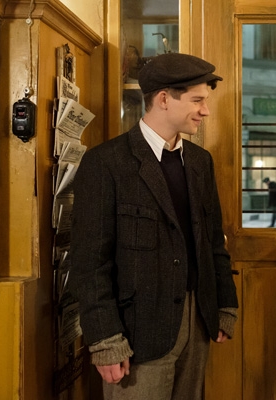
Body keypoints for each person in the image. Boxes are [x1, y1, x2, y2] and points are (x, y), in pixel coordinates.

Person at [69, 52, 239, 400]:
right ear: (164, 99)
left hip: (198, 323)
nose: (205, 111)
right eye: (197, 100)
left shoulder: (200, 162)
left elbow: (212, 242)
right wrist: (105, 341)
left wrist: (224, 306)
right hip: (135, 334)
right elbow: (89, 263)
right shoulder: (105, 162)